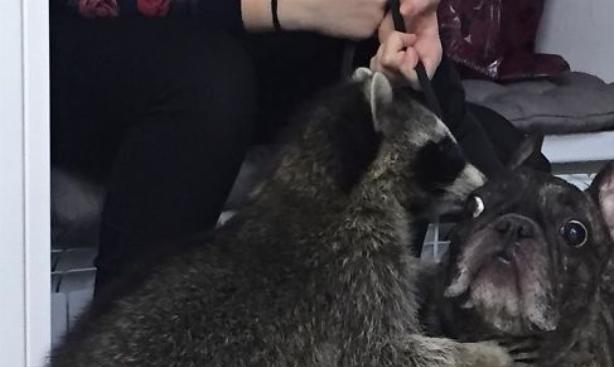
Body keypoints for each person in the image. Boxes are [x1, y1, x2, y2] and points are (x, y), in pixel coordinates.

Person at [49, 0, 532, 296]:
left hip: (229, 45)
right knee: (207, 81)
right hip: (60, 46)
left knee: (418, 85)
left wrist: (398, 21)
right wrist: (295, 7)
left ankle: (533, 259)